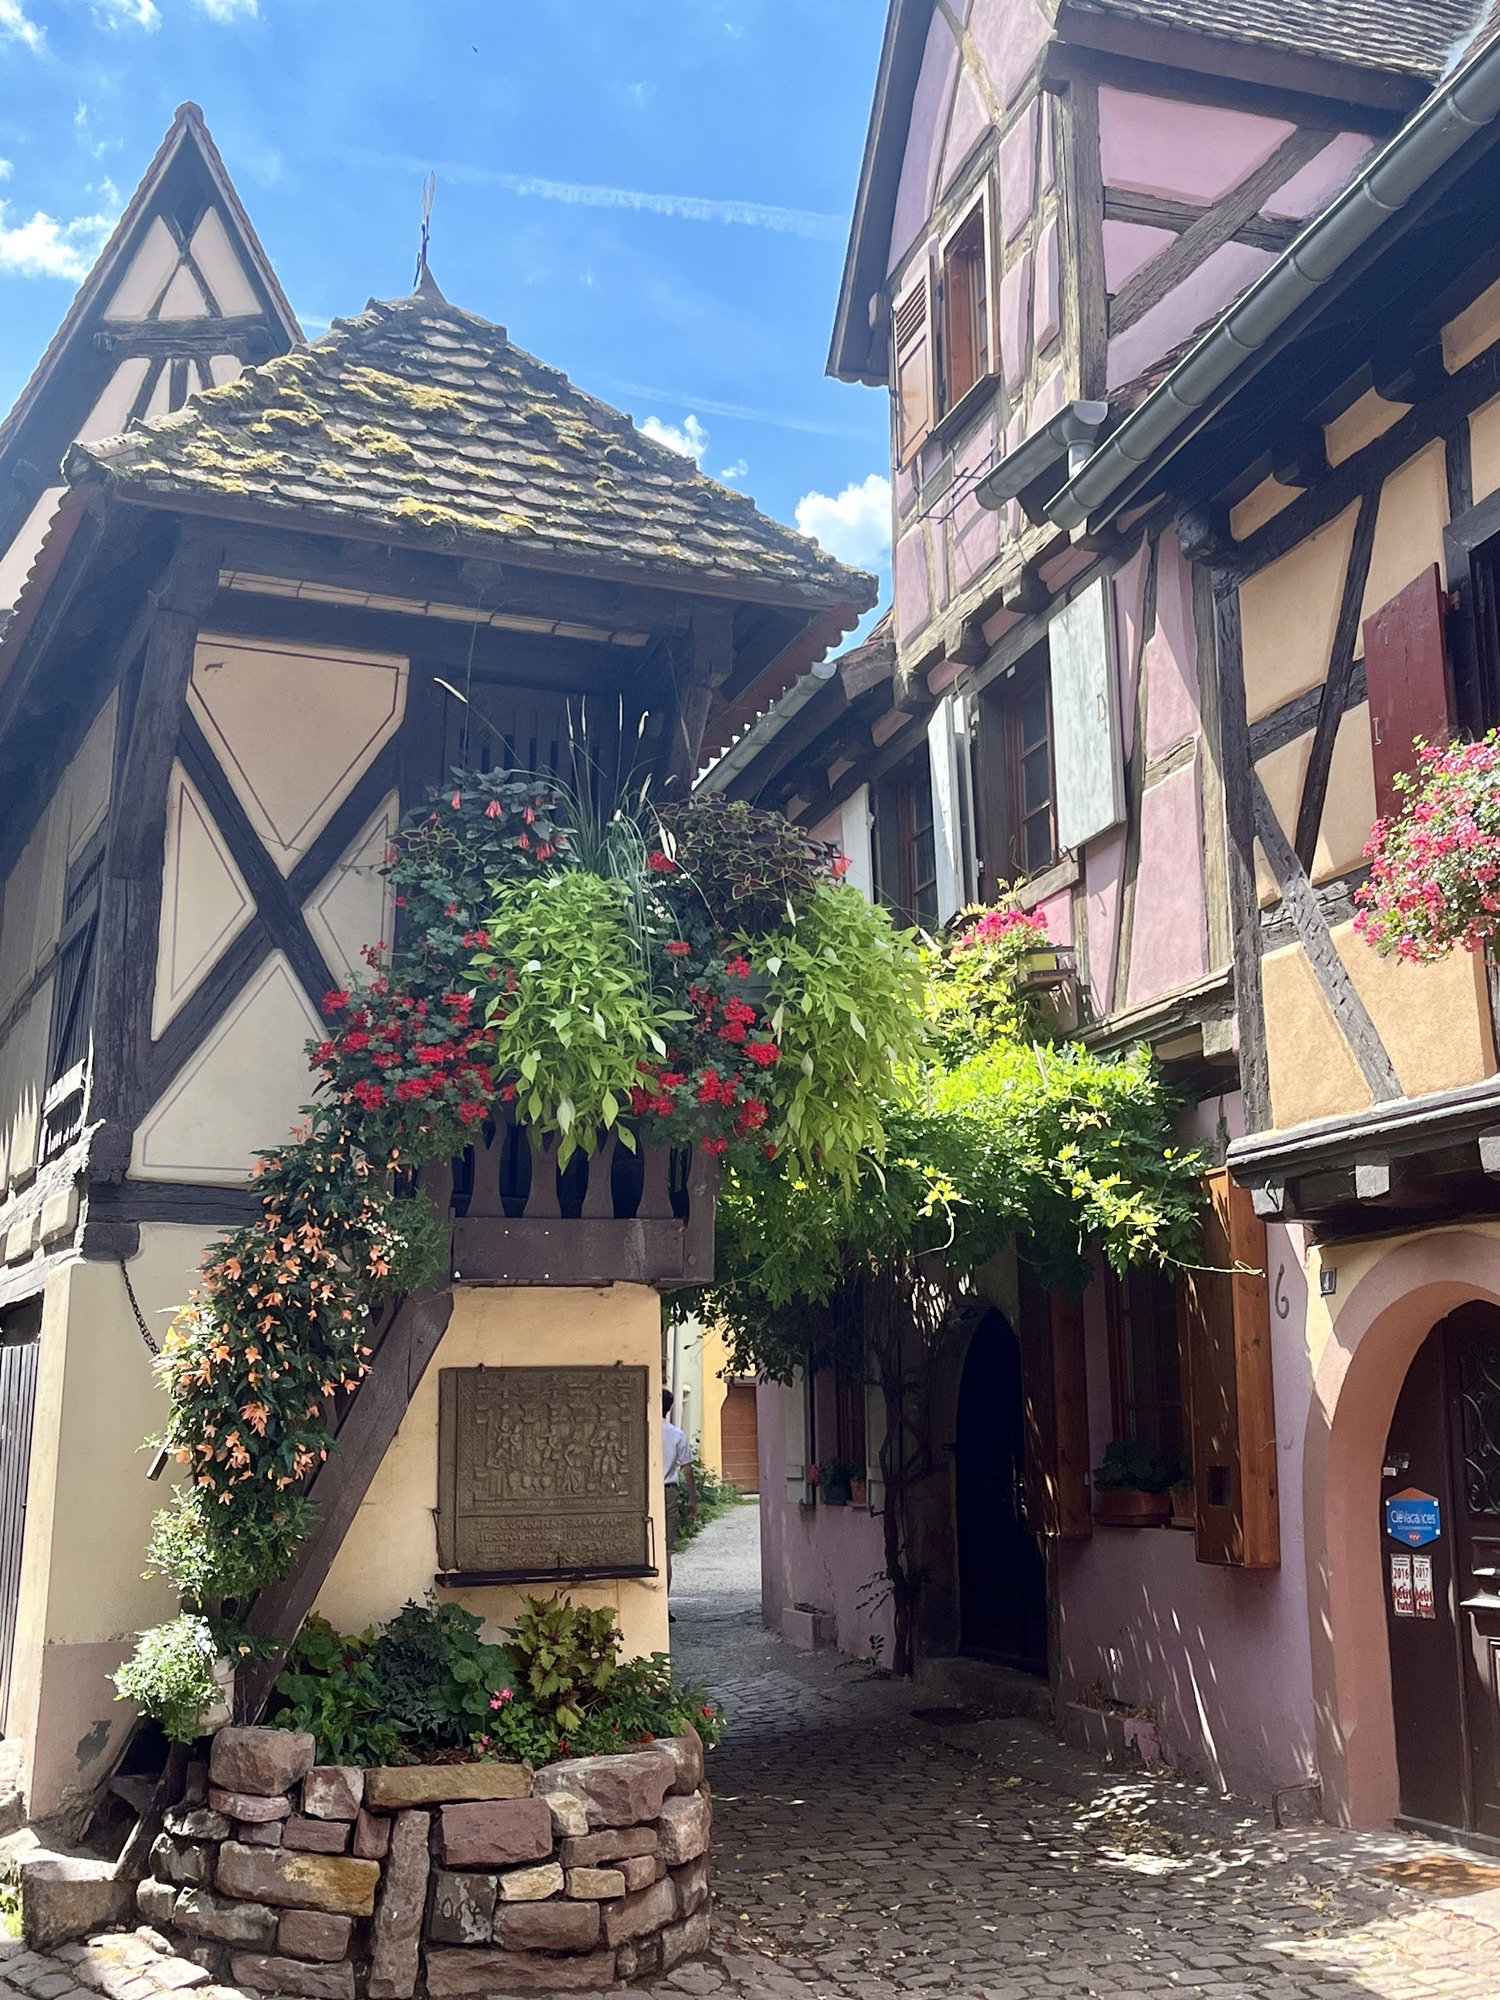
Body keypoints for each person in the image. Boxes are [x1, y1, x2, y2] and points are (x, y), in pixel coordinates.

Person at [662, 1388, 697, 1598]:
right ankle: (663, 1604)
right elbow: (688, 1470)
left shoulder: (641, 1430)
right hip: (668, 1492)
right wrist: (693, 1499)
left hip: (644, 1492)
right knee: (666, 1550)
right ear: (670, 1408)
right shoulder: (676, 1434)